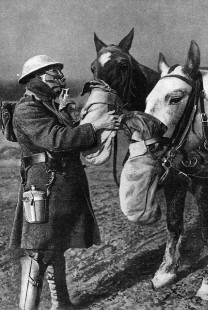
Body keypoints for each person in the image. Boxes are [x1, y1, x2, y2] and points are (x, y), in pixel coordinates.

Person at [9, 55, 120, 310]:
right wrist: (95, 126)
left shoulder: (49, 106)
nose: (61, 78)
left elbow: (74, 138)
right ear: (36, 79)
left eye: (60, 73)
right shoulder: (28, 108)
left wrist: (75, 116)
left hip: (58, 186)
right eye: (54, 75)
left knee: (55, 248)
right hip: (43, 188)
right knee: (37, 254)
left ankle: (62, 304)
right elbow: (56, 140)